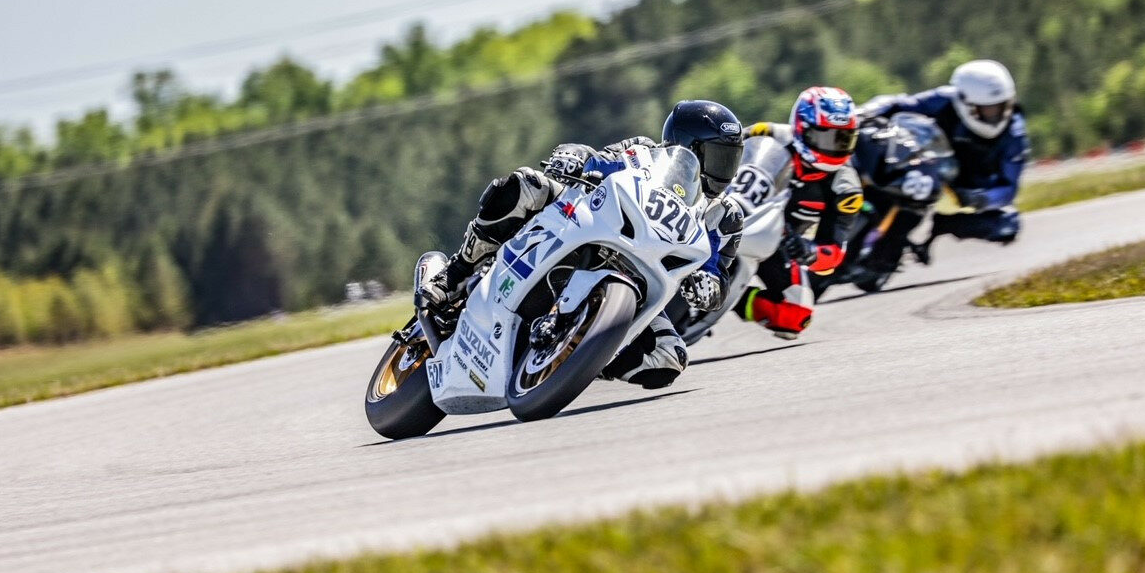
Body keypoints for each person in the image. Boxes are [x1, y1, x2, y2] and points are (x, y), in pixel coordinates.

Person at [417, 99, 746, 389]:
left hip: (642, 280)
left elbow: (719, 274)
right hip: (589, 224)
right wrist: (575, 157)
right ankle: (454, 276)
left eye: (730, 160)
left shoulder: (725, 216)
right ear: (688, 146)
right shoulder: (644, 153)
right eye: (717, 157)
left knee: (668, 358)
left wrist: (709, 286)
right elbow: (600, 160)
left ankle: (580, 358)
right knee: (525, 185)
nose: (724, 171)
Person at [858, 59, 1030, 258]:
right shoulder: (946, 99)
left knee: (1008, 224)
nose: (999, 115)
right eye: (990, 109)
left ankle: (945, 224)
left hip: (969, 182)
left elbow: (1009, 187)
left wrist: (982, 198)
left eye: (1003, 106)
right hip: (931, 162)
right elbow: (899, 103)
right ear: (967, 104)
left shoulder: (1014, 132)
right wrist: (864, 113)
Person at [732, 86, 865, 339]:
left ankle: (730, 299)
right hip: (728, 213)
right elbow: (718, 151)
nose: (834, 147)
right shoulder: (766, 133)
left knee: (795, 318)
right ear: (803, 128)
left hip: (778, 243)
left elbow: (835, 252)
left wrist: (810, 252)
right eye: (825, 137)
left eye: (843, 139)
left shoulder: (847, 189)